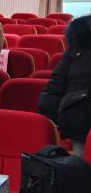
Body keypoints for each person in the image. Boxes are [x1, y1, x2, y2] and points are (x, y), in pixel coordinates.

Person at [39, 15, 91, 156]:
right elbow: (56, 85)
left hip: (79, 119)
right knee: (82, 164)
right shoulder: (79, 45)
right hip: (81, 121)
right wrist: (58, 118)